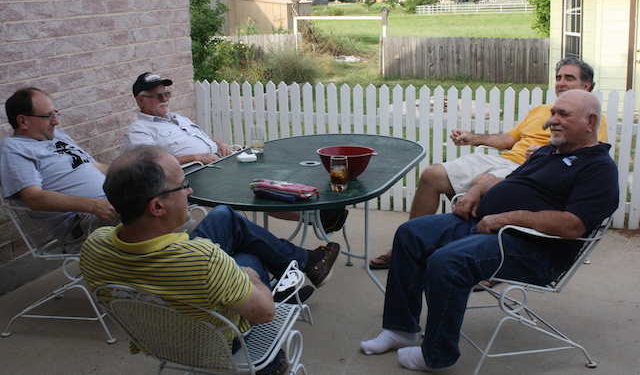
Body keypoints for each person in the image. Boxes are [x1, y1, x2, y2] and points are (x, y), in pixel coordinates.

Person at [360, 90, 619, 371]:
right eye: (552, 113)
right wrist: (476, 191)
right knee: (411, 234)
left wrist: (506, 218)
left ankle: (436, 354)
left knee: (448, 262)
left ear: (590, 121)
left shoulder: (598, 169)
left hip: (534, 249)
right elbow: (509, 181)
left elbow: (573, 224)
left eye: (563, 115)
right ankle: (401, 329)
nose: (552, 121)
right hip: (487, 225)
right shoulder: (548, 151)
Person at [80, 146, 340, 374]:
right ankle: (271, 365)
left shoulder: (93, 247)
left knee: (223, 216)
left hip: (156, 340)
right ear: (157, 207)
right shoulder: (205, 260)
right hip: (213, 346)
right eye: (183, 186)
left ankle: (306, 262)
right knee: (250, 258)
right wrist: (249, 277)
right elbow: (266, 313)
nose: (190, 191)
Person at [369, 57, 608, 269]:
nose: (561, 83)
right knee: (432, 174)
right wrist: (473, 138)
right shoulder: (541, 110)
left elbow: (585, 154)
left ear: (586, 85)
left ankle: (488, 262)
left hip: (533, 171)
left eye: (569, 78)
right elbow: (508, 140)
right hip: (504, 160)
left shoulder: (591, 120)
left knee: (484, 183)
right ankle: (406, 247)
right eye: (558, 78)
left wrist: (546, 154)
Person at [124, 71, 349, 233]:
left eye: (166, 94)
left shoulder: (177, 118)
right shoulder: (140, 130)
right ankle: (316, 216)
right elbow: (144, 167)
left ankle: (314, 214)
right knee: (255, 189)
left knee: (270, 174)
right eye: (157, 96)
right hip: (197, 179)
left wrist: (218, 143)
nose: (165, 99)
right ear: (140, 100)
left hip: (219, 163)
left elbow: (197, 139)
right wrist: (197, 157)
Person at [0, 87, 118, 252]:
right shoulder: (13, 148)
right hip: (84, 224)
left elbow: (96, 167)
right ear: (23, 121)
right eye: (47, 116)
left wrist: (133, 169)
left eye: (55, 113)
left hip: (112, 204)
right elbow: (34, 198)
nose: (55, 121)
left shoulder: (58, 136)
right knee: (152, 206)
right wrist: (92, 205)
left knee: (159, 185)